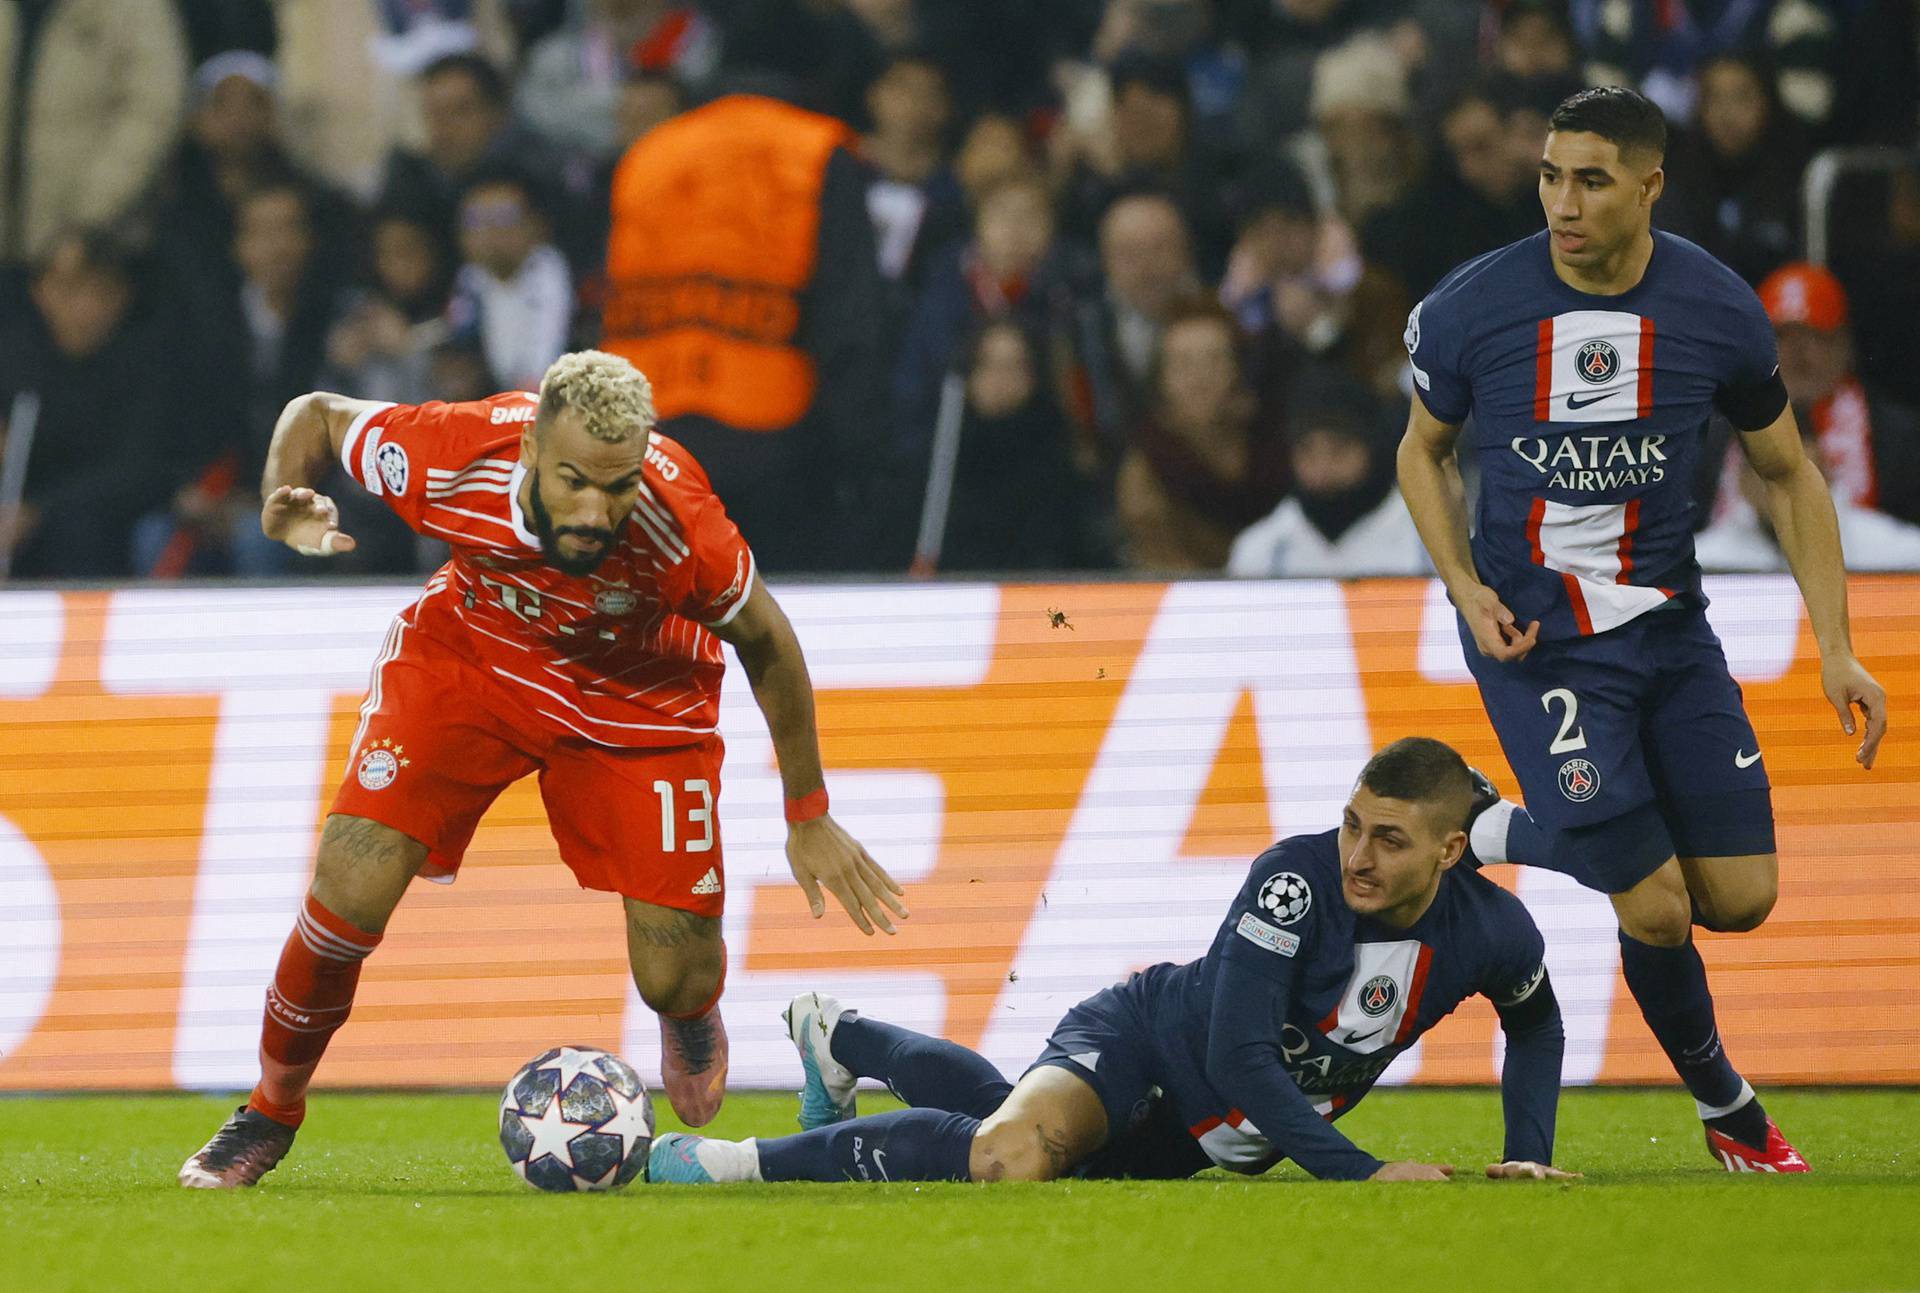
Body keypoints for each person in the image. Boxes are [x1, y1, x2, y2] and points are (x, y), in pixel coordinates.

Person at [178, 350, 908, 1188]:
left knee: (672, 974)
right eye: (573, 482)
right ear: (530, 450)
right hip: (474, 659)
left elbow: (769, 641)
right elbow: (313, 412)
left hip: (639, 697)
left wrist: (807, 810)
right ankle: (269, 1109)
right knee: (348, 885)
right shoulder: (452, 455)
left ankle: (688, 1010)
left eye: (618, 484)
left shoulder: (683, 522)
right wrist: (281, 497)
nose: (597, 510)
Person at [1398, 87, 1889, 1174]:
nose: (1561, 203)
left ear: (1650, 184)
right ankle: (1731, 1112)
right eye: (1549, 176)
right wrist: (1465, 585)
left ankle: (1497, 831)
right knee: (1659, 908)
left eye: (1590, 180)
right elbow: (1419, 450)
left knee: (1741, 900)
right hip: (1543, 647)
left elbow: (1787, 473)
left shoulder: (1716, 309)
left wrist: (1837, 645)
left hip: (1672, 636)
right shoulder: (1477, 306)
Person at [648, 738, 1574, 1187]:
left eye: (1390, 840)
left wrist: (1526, 1157)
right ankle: (733, 1162)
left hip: (1201, 1133)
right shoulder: (1294, 883)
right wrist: (1362, 1171)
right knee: (1008, 1155)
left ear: (1452, 853)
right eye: (1351, 825)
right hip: (1146, 1039)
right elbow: (1246, 1054)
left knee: (1019, 1125)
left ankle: (841, 1035)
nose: (1358, 856)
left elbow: (1537, 1021)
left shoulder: (1494, 932)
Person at [1115, 298, 1286, 571]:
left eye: (1214, 360)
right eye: (1183, 364)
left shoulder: (1276, 445)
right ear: (1162, 379)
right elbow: (1161, 563)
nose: (1199, 377)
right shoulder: (1147, 468)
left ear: (1238, 370)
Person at [1228, 371, 1427, 578]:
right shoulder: (1260, 552)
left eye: (1339, 449)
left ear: (1373, 449)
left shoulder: (1430, 542)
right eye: (1307, 450)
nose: (1323, 468)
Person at [446, 167, 576, 393]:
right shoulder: (468, 283)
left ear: (536, 224)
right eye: (476, 220)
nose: (490, 232)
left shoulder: (560, 277)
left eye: (504, 217)